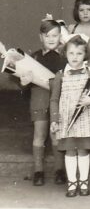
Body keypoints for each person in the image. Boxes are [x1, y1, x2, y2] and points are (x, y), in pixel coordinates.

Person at [50, 35, 90, 197]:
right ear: (65, 54)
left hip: (85, 117)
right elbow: (54, 99)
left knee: (83, 150)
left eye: (79, 54)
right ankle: (72, 183)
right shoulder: (60, 75)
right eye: (71, 53)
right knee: (70, 151)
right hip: (67, 119)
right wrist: (54, 119)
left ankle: (83, 182)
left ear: (85, 55)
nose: (75, 57)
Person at [20, 19, 67, 186]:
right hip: (39, 99)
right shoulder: (34, 57)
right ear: (41, 37)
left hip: (58, 101)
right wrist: (24, 82)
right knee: (39, 136)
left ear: (60, 36)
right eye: (47, 36)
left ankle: (59, 170)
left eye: (55, 35)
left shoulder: (64, 57)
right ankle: (38, 171)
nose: (51, 39)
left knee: (56, 136)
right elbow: (24, 85)